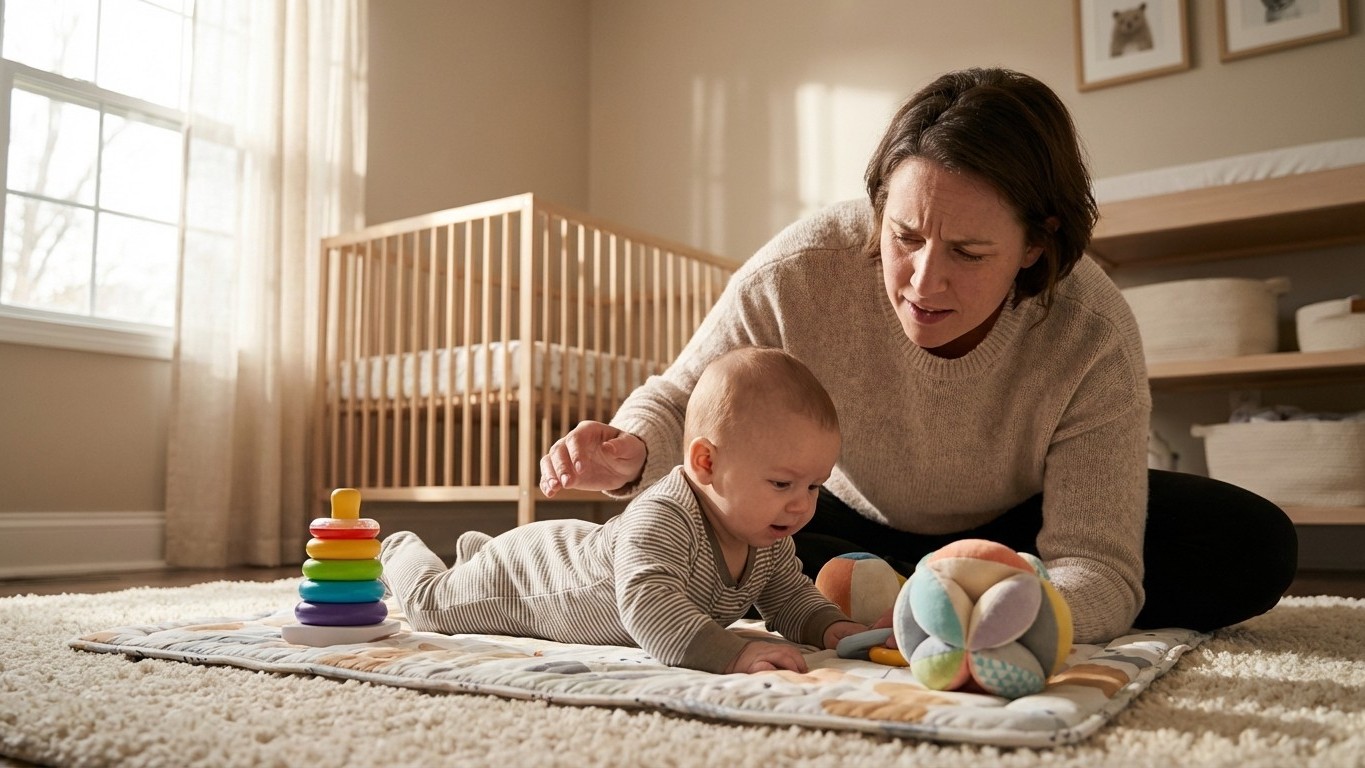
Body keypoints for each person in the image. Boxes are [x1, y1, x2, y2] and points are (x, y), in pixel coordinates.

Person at [538, 67, 1298, 644]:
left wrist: (1020, 615)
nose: (923, 283)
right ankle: (879, 587)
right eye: (903, 237)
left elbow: (1096, 562)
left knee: (1251, 545)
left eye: (968, 252)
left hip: (1016, 538)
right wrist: (630, 448)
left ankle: (890, 594)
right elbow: (685, 395)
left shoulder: (1090, 330)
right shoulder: (801, 268)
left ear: (1035, 245)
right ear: (878, 209)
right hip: (831, 511)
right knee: (709, 526)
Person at [381, 347, 865, 674]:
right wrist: (733, 654)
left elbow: (789, 596)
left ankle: (476, 551)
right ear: (706, 462)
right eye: (783, 483)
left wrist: (828, 625)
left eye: (815, 486)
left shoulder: (768, 533)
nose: (802, 504)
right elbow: (647, 603)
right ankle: (401, 547)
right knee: (429, 605)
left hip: (566, 552)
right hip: (533, 577)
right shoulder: (665, 515)